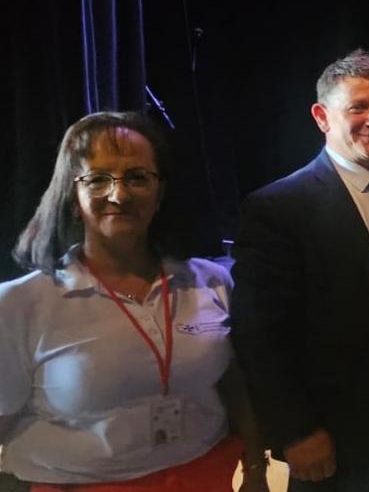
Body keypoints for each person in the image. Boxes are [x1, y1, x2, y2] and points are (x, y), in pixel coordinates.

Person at [0, 112, 266, 491]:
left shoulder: (211, 282)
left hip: (205, 477)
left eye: (137, 177)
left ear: (159, 194)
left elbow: (233, 383)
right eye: (98, 179)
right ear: (73, 196)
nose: (119, 195)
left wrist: (255, 466)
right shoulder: (19, 304)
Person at [231, 50, 369, 491]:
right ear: (322, 116)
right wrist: (296, 430)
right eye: (358, 107)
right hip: (329, 428)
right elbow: (260, 335)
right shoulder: (279, 207)